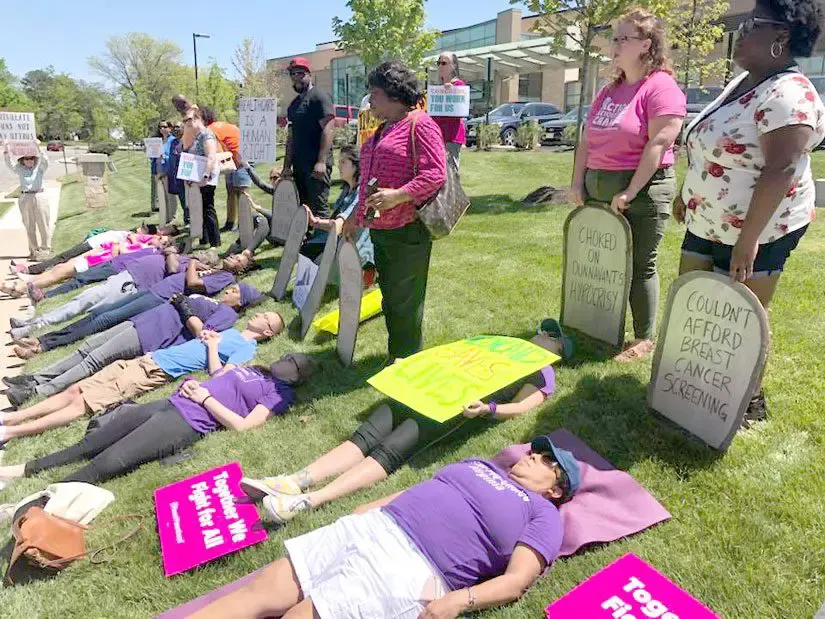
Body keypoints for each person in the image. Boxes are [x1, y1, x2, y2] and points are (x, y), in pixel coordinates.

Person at [187, 435, 579, 619]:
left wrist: (458, 601)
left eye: (546, 459)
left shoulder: (543, 516)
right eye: (535, 450)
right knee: (260, 593)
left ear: (557, 489)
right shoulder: (480, 464)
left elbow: (516, 582)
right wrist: (368, 509)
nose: (533, 455)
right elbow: (423, 487)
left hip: (412, 568)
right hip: (372, 526)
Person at [673, 0, 825, 425]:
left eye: (751, 24)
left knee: (741, 315)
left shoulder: (790, 95)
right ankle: (692, 385)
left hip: (762, 230)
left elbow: (780, 170)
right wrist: (687, 192)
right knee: (696, 302)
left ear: (780, 37)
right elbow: (710, 145)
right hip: (709, 219)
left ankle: (747, 401)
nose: (740, 30)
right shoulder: (745, 80)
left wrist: (747, 240)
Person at [241, 333, 557, 524]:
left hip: (446, 412)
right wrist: (411, 368)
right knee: (364, 436)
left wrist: (488, 409)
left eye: (551, 336)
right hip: (417, 393)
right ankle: (294, 480)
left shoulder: (543, 373)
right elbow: (447, 359)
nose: (541, 335)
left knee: (389, 452)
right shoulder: (497, 346)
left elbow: (521, 407)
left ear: (557, 351)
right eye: (542, 331)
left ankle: (312, 500)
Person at [570, 8, 686, 362]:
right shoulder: (611, 90)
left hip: (643, 191)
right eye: (614, 37)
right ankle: (600, 323)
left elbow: (657, 144)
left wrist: (630, 192)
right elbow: (586, 141)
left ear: (646, 45)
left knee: (639, 265)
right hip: (598, 188)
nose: (615, 44)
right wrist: (577, 183)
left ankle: (642, 337)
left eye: (624, 38)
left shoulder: (661, 87)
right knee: (602, 261)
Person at [0, 354, 307, 486]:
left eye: (294, 362)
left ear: (298, 378)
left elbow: (244, 426)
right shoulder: (255, 370)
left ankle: (36, 504)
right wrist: (195, 383)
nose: (286, 359)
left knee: (108, 463)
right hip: (171, 402)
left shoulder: (279, 393)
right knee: (92, 443)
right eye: (288, 355)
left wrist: (205, 400)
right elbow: (218, 376)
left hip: (187, 421)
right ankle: (22, 470)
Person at [0, 311, 284, 442]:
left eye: (266, 318)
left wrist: (211, 347)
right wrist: (209, 336)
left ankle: (11, 432)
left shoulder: (247, 348)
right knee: (74, 390)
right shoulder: (232, 332)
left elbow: (221, 376)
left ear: (268, 331)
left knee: (82, 405)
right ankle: (10, 419)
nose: (260, 315)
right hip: (147, 358)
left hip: (154, 372)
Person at [342, 61, 447, 362]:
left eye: (375, 94)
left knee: (406, 300)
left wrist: (398, 196)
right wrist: (355, 218)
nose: (371, 100)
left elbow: (435, 174)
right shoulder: (383, 129)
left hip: (408, 228)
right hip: (382, 230)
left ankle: (405, 358)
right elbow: (369, 182)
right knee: (391, 296)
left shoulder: (420, 123)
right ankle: (399, 353)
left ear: (394, 94)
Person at [10, 250, 256, 348]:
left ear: (240, 271)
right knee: (97, 316)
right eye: (236, 254)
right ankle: (39, 336)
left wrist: (191, 263)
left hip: (158, 299)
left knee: (103, 319)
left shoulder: (224, 278)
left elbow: (192, 284)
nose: (234, 256)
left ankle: (43, 342)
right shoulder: (216, 271)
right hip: (151, 292)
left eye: (239, 260)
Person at [7, 243, 179, 346]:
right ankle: (32, 324)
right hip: (124, 278)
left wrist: (172, 253)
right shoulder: (164, 253)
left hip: (131, 285)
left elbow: (173, 271)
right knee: (80, 301)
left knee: (82, 305)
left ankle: (32, 327)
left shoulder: (182, 265)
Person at [1, 233, 171, 299]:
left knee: (59, 273)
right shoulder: (144, 243)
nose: (158, 237)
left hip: (98, 261)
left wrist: (119, 246)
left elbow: (120, 250)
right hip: (96, 255)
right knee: (57, 269)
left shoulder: (147, 249)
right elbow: (120, 244)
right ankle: (23, 286)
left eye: (162, 240)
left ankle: (21, 287)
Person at [271, 57, 335, 218]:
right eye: (292, 74)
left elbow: (328, 128)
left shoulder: (319, 96)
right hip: (299, 166)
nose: (296, 77)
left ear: (309, 74)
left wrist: (321, 162)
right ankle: (305, 240)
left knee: (319, 208)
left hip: (316, 166)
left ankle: (322, 241)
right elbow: (291, 137)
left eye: (300, 73)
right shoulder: (293, 105)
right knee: (303, 208)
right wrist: (286, 166)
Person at [301, 145, 374, 275]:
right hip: (342, 244)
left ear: (356, 165)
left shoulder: (360, 192)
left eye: (343, 162)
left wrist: (314, 221)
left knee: (309, 254)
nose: (338, 166)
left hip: (355, 250)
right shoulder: (346, 190)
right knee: (307, 250)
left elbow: (339, 225)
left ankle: (365, 272)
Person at [201, 106, 248, 233]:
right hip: (231, 160)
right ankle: (230, 222)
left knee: (242, 193)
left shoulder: (209, 130)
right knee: (231, 191)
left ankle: (244, 224)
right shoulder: (222, 125)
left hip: (241, 159)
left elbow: (214, 151)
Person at [2, 140, 51, 261]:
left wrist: (38, 147)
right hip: (25, 197)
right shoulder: (19, 169)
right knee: (29, 226)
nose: (29, 161)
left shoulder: (40, 168)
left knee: (43, 224)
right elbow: (9, 163)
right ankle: (34, 251)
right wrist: (6, 147)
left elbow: (45, 161)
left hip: (39, 196)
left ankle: (45, 250)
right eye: (27, 159)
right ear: (22, 160)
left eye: (31, 158)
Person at [185, 107, 221, 247]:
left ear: (198, 119)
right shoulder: (197, 136)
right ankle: (204, 239)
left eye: (190, 119)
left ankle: (215, 241)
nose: (187, 122)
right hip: (197, 178)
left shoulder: (207, 134)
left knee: (208, 209)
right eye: (185, 120)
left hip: (207, 177)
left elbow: (211, 156)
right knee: (200, 209)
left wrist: (205, 175)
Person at [432, 52, 467, 169]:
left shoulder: (459, 85)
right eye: (439, 63)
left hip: (452, 137)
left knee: (450, 172)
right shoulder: (437, 88)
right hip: (437, 137)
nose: (440, 66)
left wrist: (453, 91)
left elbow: (461, 109)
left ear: (453, 66)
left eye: (444, 63)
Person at [164, 121, 188, 224]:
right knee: (182, 199)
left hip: (186, 175)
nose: (175, 129)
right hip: (175, 175)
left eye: (178, 127)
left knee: (188, 199)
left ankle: (191, 221)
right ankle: (187, 220)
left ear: (184, 128)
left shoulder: (187, 140)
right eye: (174, 127)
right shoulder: (173, 142)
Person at [151, 121, 172, 212]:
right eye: (160, 127)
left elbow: (174, 156)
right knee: (160, 195)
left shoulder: (173, 140)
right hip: (157, 169)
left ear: (169, 128)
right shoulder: (157, 140)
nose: (162, 129)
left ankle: (172, 217)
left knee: (170, 196)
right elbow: (152, 157)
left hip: (167, 170)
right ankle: (164, 217)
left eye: (164, 127)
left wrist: (165, 156)